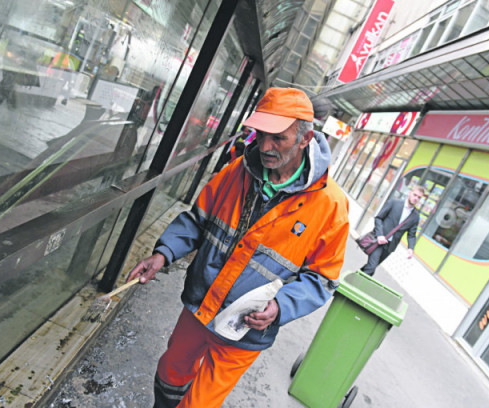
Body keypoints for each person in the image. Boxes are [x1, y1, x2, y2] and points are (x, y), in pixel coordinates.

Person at [127, 87, 350, 408]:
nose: (265, 146)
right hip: (200, 304)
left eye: (278, 138)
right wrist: (164, 253)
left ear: (305, 139)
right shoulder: (237, 171)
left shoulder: (331, 205)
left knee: (200, 403)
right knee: (170, 373)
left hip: (245, 331)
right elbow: (199, 219)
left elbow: (322, 278)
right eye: (261, 134)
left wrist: (280, 306)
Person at [360, 185, 425, 276]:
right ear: (410, 193)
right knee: (371, 268)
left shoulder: (415, 216)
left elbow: (411, 235)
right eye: (415, 195)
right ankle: (354, 282)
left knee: (370, 267)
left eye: (419, 197)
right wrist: (379, 235)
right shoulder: (394, 203)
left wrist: (411, 248)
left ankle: (353, 278)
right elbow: (379, 218)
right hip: (379, 241)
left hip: (390, 246)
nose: (416, 198)